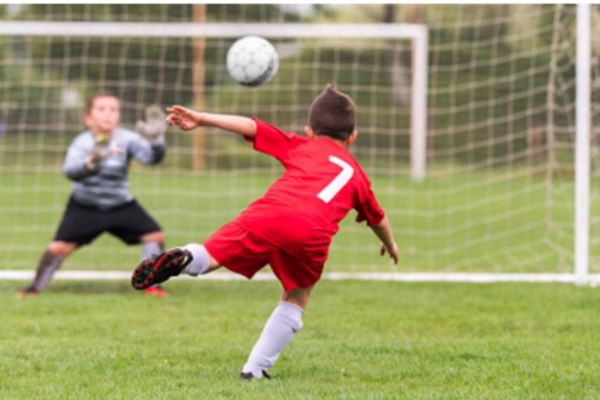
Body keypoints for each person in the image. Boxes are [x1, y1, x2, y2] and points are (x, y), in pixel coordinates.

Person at [131, 84, 399, 378]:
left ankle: (182, 257)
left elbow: (252, 126)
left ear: (309, 131)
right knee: (297, 296)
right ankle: (255, 370)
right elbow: (378, 219)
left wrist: (202, 118)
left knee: (210, 257)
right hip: (312, 233)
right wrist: (390, 243)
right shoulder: (358, 176)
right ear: (352, 138)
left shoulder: (301, 144)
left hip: (269, 214)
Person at [18, 94, 170, 298]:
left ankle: (152, 285)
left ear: (118, 116)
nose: (108, 113)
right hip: (85, 206)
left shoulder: (127, 139)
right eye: (101, 109)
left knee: (155, 236)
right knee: (59, 248)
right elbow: (69, 172)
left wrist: (157, 141)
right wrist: (89, 163)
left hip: (121, 204)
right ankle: (34, 289)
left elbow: (152, 159)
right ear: (88, 118)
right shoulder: (81, 143)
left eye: (113, 109)